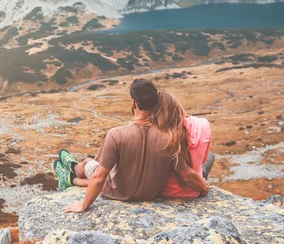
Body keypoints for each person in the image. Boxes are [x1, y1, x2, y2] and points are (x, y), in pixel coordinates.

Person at [52, 79, 208, 213]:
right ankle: (70, 171)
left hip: (115, 192)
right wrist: (204, 188)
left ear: (134, 103)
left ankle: (72, 172)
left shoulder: (117, 134)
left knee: (87, 162)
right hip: (149, 194)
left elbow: (100, 177)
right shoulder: (170, 138)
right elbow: (187, 174)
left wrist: (84, 205)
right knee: (94, 167)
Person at [152, 91, 215, 199]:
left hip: (165, 191)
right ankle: (201, 177)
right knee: (210, 156)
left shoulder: (155, 133)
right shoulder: (203, 124)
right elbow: (203, 159)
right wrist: (203, 186)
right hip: (193, 192)